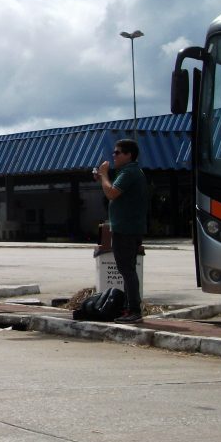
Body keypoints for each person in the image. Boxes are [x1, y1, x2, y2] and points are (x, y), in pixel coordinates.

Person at [94, 138, 148, 323]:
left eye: (117, 152)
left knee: (127, 270)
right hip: (129, 227)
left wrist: (104, 175)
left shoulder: (129, 172)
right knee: (127, 269)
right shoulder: (128, 172)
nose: (113, 156)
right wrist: (104, 177)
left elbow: (111, 193)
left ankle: (134, 310)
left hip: (126, 229)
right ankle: (128, 308)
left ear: (128, 155)